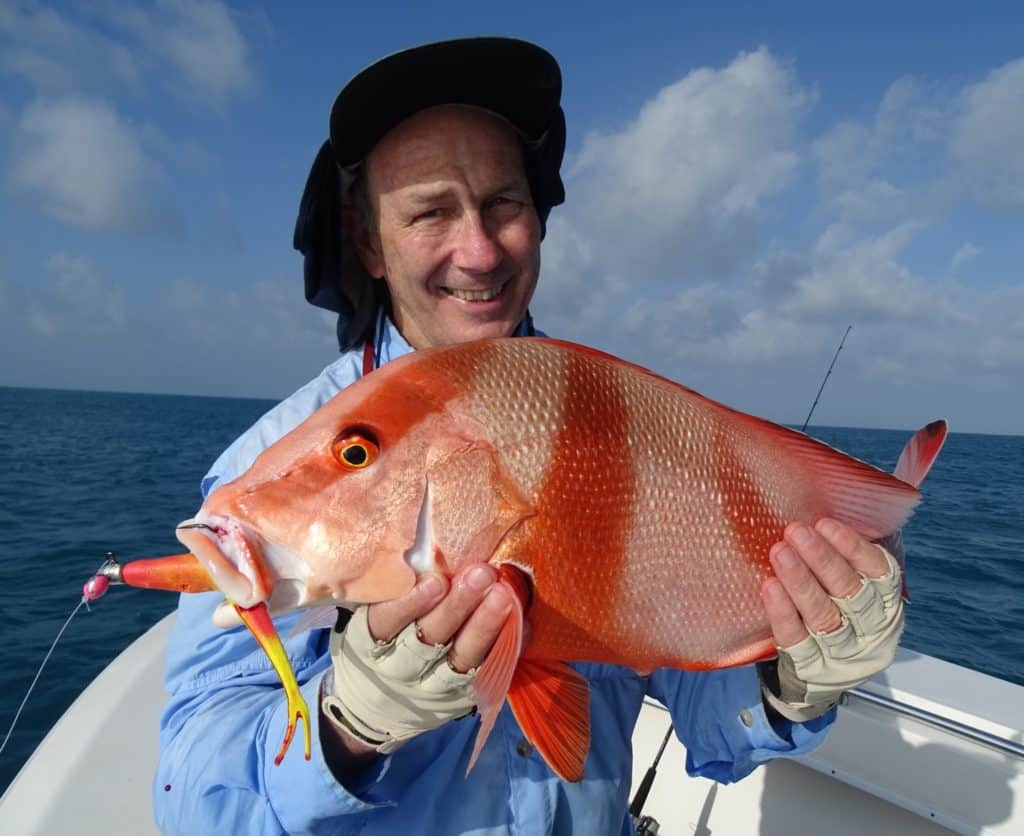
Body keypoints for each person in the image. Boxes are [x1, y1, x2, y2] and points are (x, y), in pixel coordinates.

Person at [155, 37, 906, 834]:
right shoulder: (262, 471)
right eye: (430, 211)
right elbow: (194, 797)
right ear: (369, 242)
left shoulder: (612, 418)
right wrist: (350, 723)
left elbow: (706, 714)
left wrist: (796, 682)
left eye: (504, 204)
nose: (478, 251)